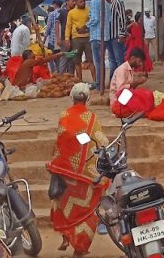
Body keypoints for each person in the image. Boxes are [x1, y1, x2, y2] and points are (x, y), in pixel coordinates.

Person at [46, 83, 109, 258]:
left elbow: (60, 138)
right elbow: (100, 141)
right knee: (87, 208)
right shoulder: (91, 117)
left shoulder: (64, 115)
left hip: (63, 167)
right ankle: (79, 247)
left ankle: (66, 237)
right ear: (87, 99)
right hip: (83, 173)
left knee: (62, 205)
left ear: (72, 98)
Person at [109, 48, 154, 116]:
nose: (140, 64)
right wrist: (136, 83)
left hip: (125, 99)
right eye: (139, 61)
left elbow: (129, 88)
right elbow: (120, 91)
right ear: (133, 58)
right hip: (117, 103)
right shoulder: (122, 69)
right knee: (143, 100)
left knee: (146, 96)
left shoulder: (129, 68)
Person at [65, 0, 91, 83]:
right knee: (77, 61)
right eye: (81, 1)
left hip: (88, 38)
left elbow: (91, 22)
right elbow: (68, 26)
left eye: (84, 1)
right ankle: (80, 80)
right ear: (76, 2)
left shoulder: (88, 10)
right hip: (76, 39)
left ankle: (95, 81)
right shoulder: (71, 13)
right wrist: (67, 38)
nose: (83, 3)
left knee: (91, 60)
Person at [102, 0, 127, 73]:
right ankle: (113, 80)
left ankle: (121, 80)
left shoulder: (117, 3)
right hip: (109, 36)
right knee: (112, 60)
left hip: (116, 36)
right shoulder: (107, 5)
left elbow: (122, 19)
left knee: (119, 60)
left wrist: (122, 34)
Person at [86, 0, 104, 90]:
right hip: (103, 36)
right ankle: (100, 83)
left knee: (97, 62)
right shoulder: (104, 2)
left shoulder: (93, 2)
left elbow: (95, 19)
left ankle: (98, 84)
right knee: (101, 62)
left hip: (95, 35)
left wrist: (86, 26)